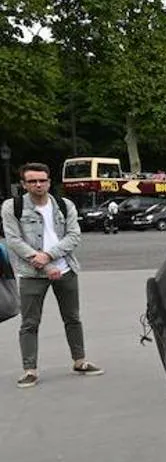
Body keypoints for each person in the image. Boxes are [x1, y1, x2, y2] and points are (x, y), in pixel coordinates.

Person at [2, 162, 103, 388]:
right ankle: (30, 369)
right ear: (23, 184)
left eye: (42, 180)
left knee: (73, 318)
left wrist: (48, 255)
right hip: (31, 273)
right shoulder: (13, 206)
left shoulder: (64, 205)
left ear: (49, 181)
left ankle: (80, 361)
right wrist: (43, 263)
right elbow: (13, 240)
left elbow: (74, 235)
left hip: (65, 268)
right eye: (32, 181)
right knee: (29, 322)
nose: (38, 184)